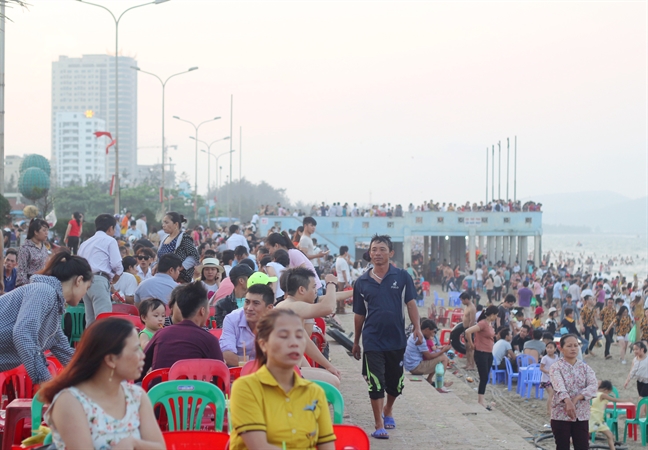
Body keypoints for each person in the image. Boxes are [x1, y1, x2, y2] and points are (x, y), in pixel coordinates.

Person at [40, 318, 165, 449]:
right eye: (135, 350)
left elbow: (160, 447)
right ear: (111, 359)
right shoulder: (71, 401)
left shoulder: (136, 396)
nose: (142, 356)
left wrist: (134, 443)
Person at [229, 309, 336, 450]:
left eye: (299, 336)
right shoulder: (246, 388)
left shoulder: (315, 393)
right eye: (284, 336)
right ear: (263, 344)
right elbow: (259, 447)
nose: (294, 343)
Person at [351, 234, 424, 439]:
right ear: (370, 253)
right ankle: (378, 424)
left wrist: (417, 328)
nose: (377, 253)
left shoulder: (402, 277)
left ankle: (388, 409)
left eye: (382, 249)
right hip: (372, 339)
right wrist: (356, 342)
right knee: (375, 382)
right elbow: (359, 315)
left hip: (396, 339)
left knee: (396, 383)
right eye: (374, 249)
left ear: (391, 253)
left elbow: (410, 304)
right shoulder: (362, 282)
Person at [0, 250, 92, 383]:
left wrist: (93, 375)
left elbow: (65, 351)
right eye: (87, 287)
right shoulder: (44, 291)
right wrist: (46, 382)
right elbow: (23, 333)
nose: (85, 293)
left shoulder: (54, 309)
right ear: (79, 280)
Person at [275, 268, 343, 386]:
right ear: (301, 290)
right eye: (313, 287)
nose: (315, 291)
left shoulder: (291, 306)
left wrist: (329, 366)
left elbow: (306, 342)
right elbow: (328, 308)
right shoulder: (292, 306)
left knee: (329, 378)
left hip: (290, 368)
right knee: (333, 382)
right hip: (281, 373)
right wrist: (331, 284)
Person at [141, 282, 223, 375]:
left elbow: (140, 367)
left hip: (160, 389)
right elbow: (221, 378)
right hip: (196, 389)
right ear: (202, 311)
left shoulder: (161, 334)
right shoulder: (209, 339)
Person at [549, 334, 598, 450]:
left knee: (582, 446)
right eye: (569, 346)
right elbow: (558, 385)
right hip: (560, 414)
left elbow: (593, 386)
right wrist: (567, 401)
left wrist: (576, 398)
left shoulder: (585, 368)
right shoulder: (556, 367)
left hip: (581, 415)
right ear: (561, 348)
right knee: (562, 447)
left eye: (576, 346)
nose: (573, 348)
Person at [78, 214, 123, 324]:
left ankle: (91, 341)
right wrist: (116, 277)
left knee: (90, 321)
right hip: (99, 279)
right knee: (104, 320)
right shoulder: (110, 240)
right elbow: (117, 264)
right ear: (111, 228)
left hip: (84, 282)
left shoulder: (85, 243)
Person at [221, 283, 275, 366]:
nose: (249, 308)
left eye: (256, 303)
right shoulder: (232, 319)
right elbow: (227, 356)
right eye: (247, 302)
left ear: (269, 308)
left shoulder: (278, 322)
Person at [465, 305, 499, 410]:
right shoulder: (483, 323)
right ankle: (480, 400)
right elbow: (468, 331)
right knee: (483, 377)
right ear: (492, 314)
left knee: (485, 377)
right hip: (481, 353)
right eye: (496, 315)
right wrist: (471, 344)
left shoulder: (489, 324)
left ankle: (481, 399)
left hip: (489, 353)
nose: (496, 317)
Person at [404, 319, 452, 387]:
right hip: (415, 367)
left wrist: (439, 349)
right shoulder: (421, 339)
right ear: (427, 329)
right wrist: (443, 351)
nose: (433, 334)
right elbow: (429, 356)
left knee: (439, 356)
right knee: (444, 358)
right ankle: (440, 384)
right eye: (432, 332)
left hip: (411, 365)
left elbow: (428, 351)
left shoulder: (416, 334)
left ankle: (430, 380)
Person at [158, 212, 200, 283]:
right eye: (163, 223)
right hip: (163, 277)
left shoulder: (184, 238)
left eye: (166, 223)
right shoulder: (165, 238)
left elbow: (194, 256)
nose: (163, 225)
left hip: (179, 279)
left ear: (176, 224)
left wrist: (179, 268)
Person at [590, 380, 632, 450]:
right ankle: (568, 440)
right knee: (583, 435)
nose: (609, 393)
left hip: (599, 420)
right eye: (609, 392)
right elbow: (614, 400)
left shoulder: (596, 393)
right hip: (594, 418)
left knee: (610, 435)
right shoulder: (602, 395)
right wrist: (627, 400)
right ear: (606, 390)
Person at [16, 218, 50, 287]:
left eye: (47, 230)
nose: (46, 233)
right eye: (44, 230)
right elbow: (21, 273)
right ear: (36, 232)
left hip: (43, 285)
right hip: (30, 287)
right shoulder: (25, 248)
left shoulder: (44, 248)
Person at [624, 341, 648, 413]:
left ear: (642, 349)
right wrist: (627, 380)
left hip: (647, 382)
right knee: (645, 400)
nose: (635, 351)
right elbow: (632, 371)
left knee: (641, 399)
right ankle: (645, 418)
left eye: (637, 349)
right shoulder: (635, 360)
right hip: (639, 382)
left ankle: (638, 418)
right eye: (634, 349)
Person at [540, 341, 559, 417]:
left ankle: (553, 409)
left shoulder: (557, 357)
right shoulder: (545, 358)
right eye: (548, 348)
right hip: (546, 379)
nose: (549, 349)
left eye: (551, 348)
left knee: (554, 395)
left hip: (553, 379)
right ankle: (548, 410)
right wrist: (549, 372)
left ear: (555, 349)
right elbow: (541, 368)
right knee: (551, 394)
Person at [460, 291, 476, 370]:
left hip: (469, 329)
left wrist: (468, 332)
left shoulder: (472, 308)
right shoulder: (466, 307)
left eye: (462, 300)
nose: (462, 302)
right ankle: (468, 363)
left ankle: (472, 365)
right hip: (465, 328)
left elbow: (472, 321)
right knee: (466, 347)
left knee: (470, 347)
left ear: (466, 299)